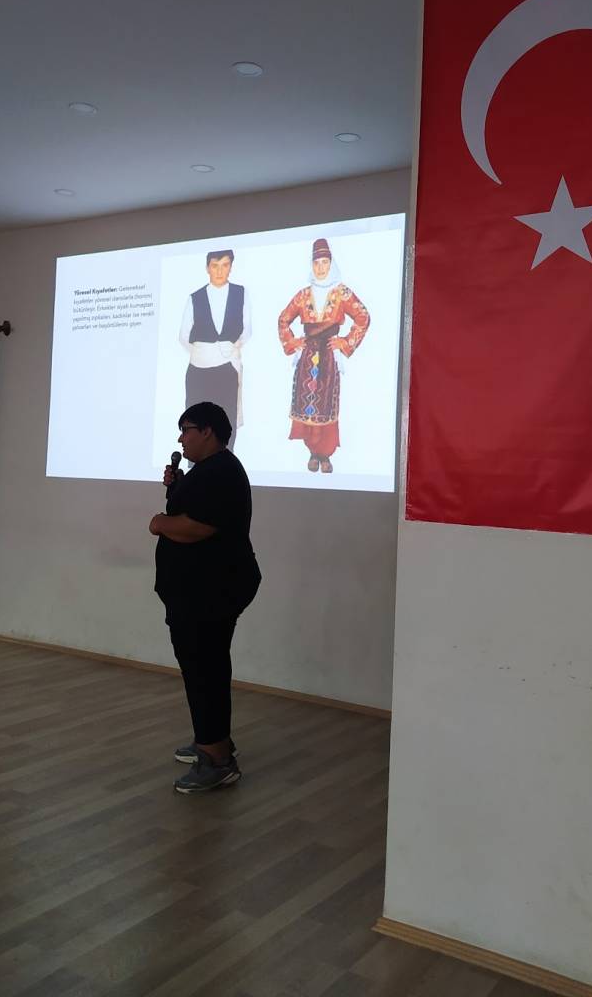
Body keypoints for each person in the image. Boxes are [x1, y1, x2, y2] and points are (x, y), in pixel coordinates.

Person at [149, 401, 261, 793]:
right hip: (203, 588)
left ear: (208, 431)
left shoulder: (219, 472)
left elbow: (200, 527)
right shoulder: (210, 470)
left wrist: (160, 523)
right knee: (206, 666)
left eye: (187, 430)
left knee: (203, 669)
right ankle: (213, 741)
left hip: (211, 590)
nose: (181, 438)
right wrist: (179, 487)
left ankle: (216, 761)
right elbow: (202, 512)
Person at [277, 237, 370, 473]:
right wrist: (292, 342)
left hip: (328, 355)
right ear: (312, 265)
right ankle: (312, 452)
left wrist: (345, 342)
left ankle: (325, 454)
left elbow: (363, 317)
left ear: (331, 263)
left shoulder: (342, 292)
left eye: (325, 262)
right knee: (308, 404)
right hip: (308, 356)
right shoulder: (303, 295)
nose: (320, 268)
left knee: (327, 404)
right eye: (316, 263)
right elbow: (283, 319)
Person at [179, 249, 250, 450]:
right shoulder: (195, 297)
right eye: (215, 266)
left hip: (227, 368)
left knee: (225, 422)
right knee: (196, 423)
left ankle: (225, 465)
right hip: (198, 370)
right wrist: (205, 351)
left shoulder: (240, 293)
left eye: (225, 265)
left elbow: (247, 330)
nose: (219, 271)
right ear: (207, 268)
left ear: (231, 267)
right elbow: (183, 336)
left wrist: (227, 350)